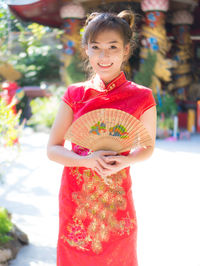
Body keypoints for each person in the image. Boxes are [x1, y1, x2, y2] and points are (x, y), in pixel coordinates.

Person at [47, 10, 157, 266]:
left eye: (112, 47)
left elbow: (148, 147)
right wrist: (87, 161)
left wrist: (126, 161)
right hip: (76, 200)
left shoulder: (142, 97)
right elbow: (52, 149)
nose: (103, 55)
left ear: (126, 49)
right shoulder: (75, 94)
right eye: (96, 47)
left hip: (116, 200)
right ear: (86, 49)